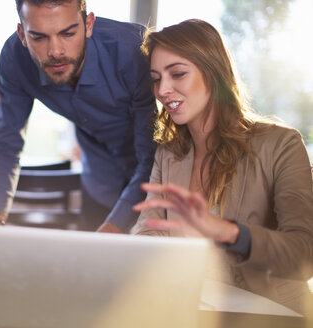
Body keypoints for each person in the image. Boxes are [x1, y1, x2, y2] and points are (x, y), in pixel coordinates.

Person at [131, 19, 313, 314]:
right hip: (194, 311)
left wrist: (229, 232)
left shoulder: (281, 144)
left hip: (273, 314)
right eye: (155, 79)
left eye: (177, 74)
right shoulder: (169, 153)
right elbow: (148, 231)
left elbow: (305, 254)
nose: (163, 90)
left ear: (213, 72)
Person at [0, 0, 157, 258]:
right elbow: (5, 144)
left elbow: (151, 156)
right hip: (99, 181)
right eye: (39, 37)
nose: (55, 51)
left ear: (88, 24)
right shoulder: (15, 58)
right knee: (86, 282)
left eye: (68, 33)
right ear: (22, 34)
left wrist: (115, 226)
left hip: (154, 185)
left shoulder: (133, 51)